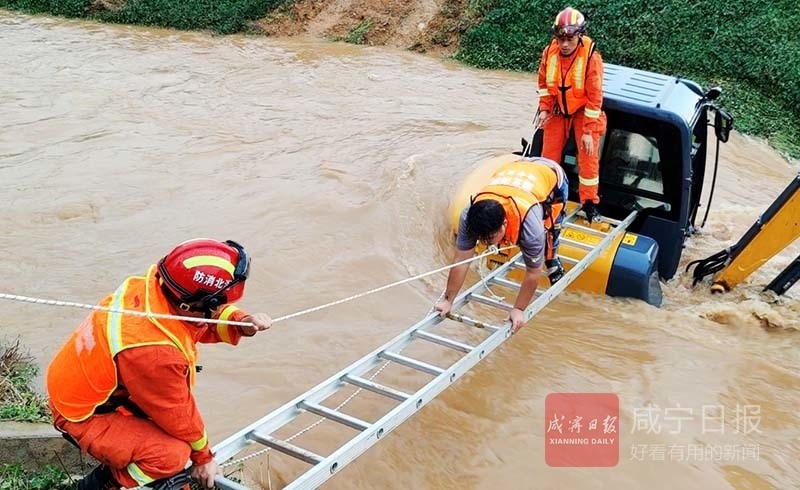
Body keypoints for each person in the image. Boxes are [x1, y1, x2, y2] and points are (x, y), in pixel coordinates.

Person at [46, 239, 272, 490]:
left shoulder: (155, 286)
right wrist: (203, 458)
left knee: (175, 444)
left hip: (89, 391)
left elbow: (199, 321)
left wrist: (242, 322)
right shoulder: (154, 352)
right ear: (191, 305)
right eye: (219, 302)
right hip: (84, 414)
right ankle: (109, 485)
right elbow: (177, 412)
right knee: (172, 454)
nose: (222, 307)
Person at [435, 157, 568, 333]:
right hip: (515, 170)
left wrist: (518, 309)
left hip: (552, 176)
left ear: (505, 223)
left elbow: (533, 272)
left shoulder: (531, 226)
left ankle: (553, 260)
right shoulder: (468, 215)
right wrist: (448, 300)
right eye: (480, 239)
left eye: (489, 238)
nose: (484, 243)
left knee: (551, 230)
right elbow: (461, 260)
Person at [535, 6, 607, 223]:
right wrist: (545, 108)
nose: (564, 44)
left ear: (579, 35)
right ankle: (548, 198)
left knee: (588, 158)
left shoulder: (591, 58)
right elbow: (544, 84)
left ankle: (589, 203)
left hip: (584, 113)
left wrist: (587, 130)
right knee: (548, 158)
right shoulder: (550, 52)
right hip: (557, 110)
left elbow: (595, 97)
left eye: (570, 39)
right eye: (560, 38)